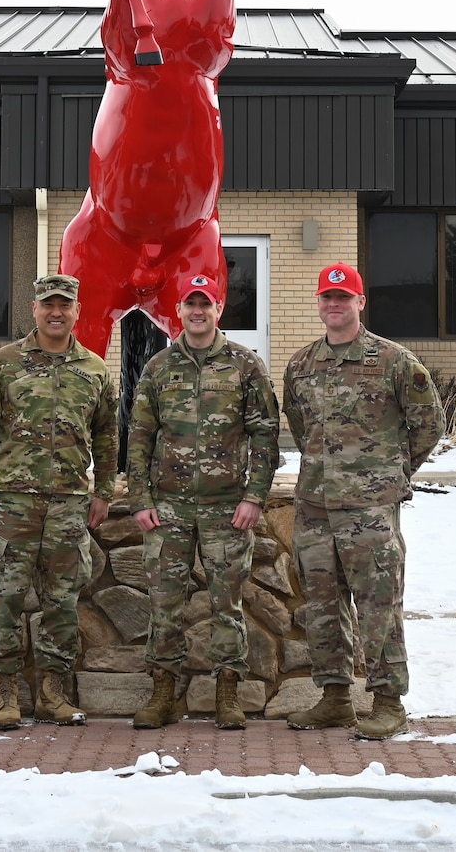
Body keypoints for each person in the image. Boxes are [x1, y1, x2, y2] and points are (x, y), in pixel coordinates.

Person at [281, 261, 443, 740]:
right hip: (314, 507)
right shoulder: (301, 365)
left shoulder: (393, 361)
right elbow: (299, 425)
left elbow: (428, 426)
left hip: (369, 512)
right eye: (327, 298)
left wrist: (387, 475)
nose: (335, 305)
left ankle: (388, 702)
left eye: (343, 297)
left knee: (378, 606)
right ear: (319, 303)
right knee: (322, 606)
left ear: (359, 302)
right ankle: (334, 698)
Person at [127, 274, 280, 730]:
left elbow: (265, 437)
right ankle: (162, 693)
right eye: (190, 304)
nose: (197, 312)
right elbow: (139, 438)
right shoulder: (158, 367)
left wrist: (255, 496)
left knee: (227, 605)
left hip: (226, 510)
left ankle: (227, 693)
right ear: (179, 310)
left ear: (218, 309)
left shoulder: (246, 366)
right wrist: (139, 498)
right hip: (168, 509)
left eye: (206, 304)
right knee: (164, 604)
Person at [0, 274, 119, 729]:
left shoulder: (93, 369)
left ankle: (53, 692)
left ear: (77, 312)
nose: (56, 312)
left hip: (70, 501)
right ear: (34, 309)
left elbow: (108, 436)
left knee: (62, 601)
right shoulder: (5, 362)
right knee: (7, 597)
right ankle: (5, 693)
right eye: (48, 304)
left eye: (65, 305)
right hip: (12, 501)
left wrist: (105, 491)